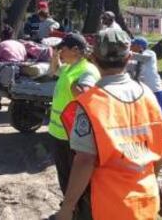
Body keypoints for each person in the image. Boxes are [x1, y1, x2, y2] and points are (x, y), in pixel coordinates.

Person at [55, 28, 162, 220]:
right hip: (144, 199)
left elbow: (84, 161)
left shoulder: (91, 103)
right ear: (130, 56)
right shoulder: (148, 95)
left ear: (93, 59)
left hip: (106, 205)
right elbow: (161, 151)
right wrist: (153, 182)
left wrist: (68, 206)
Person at [48, 33, 100, 218]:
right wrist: (55, 57)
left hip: (72, 137)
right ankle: (70, 210)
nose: (60, 51)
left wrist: (76, 88)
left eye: (63, 49)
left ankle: (81, 213)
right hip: (57, 133)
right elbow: (53, 71)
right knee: (64, 178)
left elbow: (87, 96)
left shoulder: (88, 70)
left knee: (77, 181)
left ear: (76, 50)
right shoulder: (70, 68)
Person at [131, 36, 162, 138]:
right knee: (141, 109)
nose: (131, 46)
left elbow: (140, 57)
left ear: (139, 46)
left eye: (133, 45)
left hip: (154, 87)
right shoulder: (134, 58)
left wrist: (125, 54)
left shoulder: (150, 54)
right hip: (141, 88)